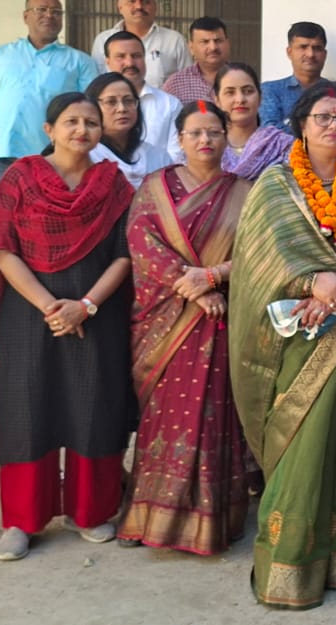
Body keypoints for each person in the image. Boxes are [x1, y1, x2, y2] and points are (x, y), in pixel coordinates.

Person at [228, 83, 336, 610]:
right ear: (301, 125)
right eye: (324, 116)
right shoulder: (275, 186)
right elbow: (258, 261)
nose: (335, 125)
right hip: (293, 339)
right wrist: (311, 283)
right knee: (300, 443)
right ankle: (287, 566)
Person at [0, 92, 135, 562]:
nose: (82, 130)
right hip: (28, 314)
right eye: (71, 121)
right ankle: (22, 519)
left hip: (97, 314)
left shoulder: (113, 184)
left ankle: (90, 512)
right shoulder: (20, 178)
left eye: (91, 122)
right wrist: (50, 306)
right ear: (49, 129)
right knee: (28, 408)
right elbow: (2, 248)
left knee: (94, 407)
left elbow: (125, 254)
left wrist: (85, 306)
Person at [116, 100, 254, 555]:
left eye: (214, 132)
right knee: (163, 418)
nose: (205, 140)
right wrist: (195, 289)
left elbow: (256, 254)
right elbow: (142, 244)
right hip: (166, 321)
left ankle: (212, 521)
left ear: (226, 136)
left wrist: (213, 278)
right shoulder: (155, 187)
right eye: (195, 132)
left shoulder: (244, 193)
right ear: (180, 138)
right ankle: (150, 515)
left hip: (220, 321)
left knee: (214, 416)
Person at [0, 0, 98, 186]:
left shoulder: (80, 61)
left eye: (56, 12)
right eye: (41, 10)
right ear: (25, 16)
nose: (49, 15)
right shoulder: (1, 55)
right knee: (2, 206)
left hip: (53, 160)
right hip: (3, 157)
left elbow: (92, 113)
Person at [90, 0, 189, 88]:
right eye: (132, 1)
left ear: (155, 6)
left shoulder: (174, 40)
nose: (139, 6)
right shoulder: (103, 40)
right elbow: (97, 82)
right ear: (120, 7)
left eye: (146, 1)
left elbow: (187, 82)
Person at [105, 30, 182, 164]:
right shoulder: (97, 104)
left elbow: (176, 153)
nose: (130, 63)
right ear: (107, 62)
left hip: (160, 175)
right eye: (121, 56)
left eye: (136, 56)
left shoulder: (170, 104)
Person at [210, 62, 295, 179]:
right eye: (230, 92)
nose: (240, 99)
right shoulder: (209, 145)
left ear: (260, 97)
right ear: (217, 101)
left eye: (248, 91)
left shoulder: (281, 145)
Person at [86, 72, 171, 188]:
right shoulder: (87, 156)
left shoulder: (157, 156)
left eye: (128, 101)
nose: (122, 109)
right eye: (111, 102)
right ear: (92, 108)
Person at [259, 22, 330, 127]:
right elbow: (270, 130)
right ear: (289, 52)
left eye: (317, 48)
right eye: (303, 47)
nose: (310, 54)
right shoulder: (271, 90)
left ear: (325, 54)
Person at [161, 17, 231, 105]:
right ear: (191, 47)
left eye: (218, 41)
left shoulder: (242, 77)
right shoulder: (175, 85)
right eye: (205, 42)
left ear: (228, 43)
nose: (213, 47)